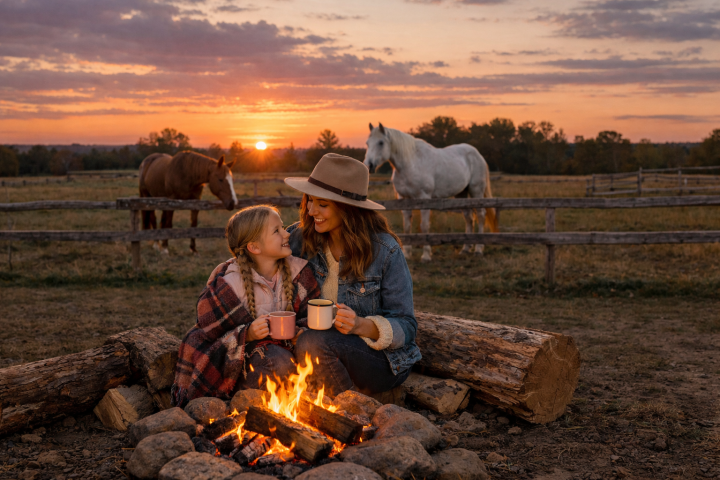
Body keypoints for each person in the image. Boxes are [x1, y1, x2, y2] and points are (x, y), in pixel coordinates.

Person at [284, 153, 421, 397]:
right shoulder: (299, 239)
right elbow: (258, 260)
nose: (312, 210)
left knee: (313, 343)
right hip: (315, 349)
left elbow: (407, 325)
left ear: (349, 210)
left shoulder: (385, 251)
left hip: (379, 359)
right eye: (310, 201)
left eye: (323, 204)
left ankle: (351, 416)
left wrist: (361, 325)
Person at [171, 205, 321, 408]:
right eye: (276, 231)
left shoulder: (299, 272)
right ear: (254, 247)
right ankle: (251, 405)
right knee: (279, 362)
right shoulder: (231, 284)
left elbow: (309, 316)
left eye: (283, 227)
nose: (287, 234)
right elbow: (211, 333)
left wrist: (298, 331)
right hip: (246, 361)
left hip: (289, 348)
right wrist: (247, 334)